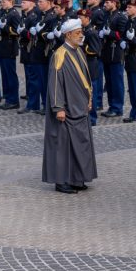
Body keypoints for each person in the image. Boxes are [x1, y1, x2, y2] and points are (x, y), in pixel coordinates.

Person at [42, 18, 98, 194]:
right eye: (77, 33)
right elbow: (55, 83)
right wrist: (58, 107)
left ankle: (76, 178)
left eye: (81, 31)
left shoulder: (78, 51)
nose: (81, 35)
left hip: (79, 107)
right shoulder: (60, 55)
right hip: (65, 110)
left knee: (80, 145)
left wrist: (88, 98)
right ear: (68, 35)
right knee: (63, 147)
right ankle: (62, 180)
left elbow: (85, 77)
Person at [0, 0, 21, 110]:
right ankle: (7, 98)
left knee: (10, 75)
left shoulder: (14, 14)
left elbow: (17, 31)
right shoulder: (3, 12)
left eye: (5, 1)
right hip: (2, 46)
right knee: (5, 75)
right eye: (1, 1)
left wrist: (5, 28)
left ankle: (14, 100)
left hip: (10, 47)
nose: (2, 3)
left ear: (11, 1)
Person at [77, 7, 102, 125]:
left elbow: (96, 50)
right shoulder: (82, 30)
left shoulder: (91, 32)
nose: (78, 20)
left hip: (91, 65)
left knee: (91, 92)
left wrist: (83, 46)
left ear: (87, 18)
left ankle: (92, 118)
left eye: (80, 18)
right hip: (83, 64)